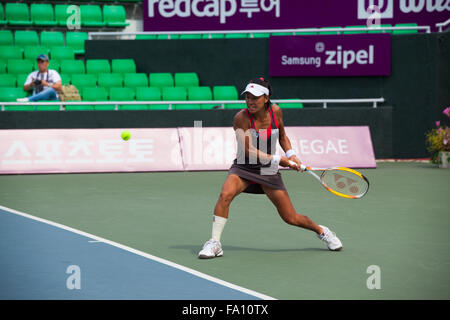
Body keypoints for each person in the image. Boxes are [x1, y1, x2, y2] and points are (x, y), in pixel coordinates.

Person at [198, 77, 342, 259]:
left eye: (255, 97)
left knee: (290, 217)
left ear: (266, 98)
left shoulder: (276, 112)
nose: (250, 101)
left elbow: (282, 135)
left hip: (268, 171)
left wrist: (291, 155)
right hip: (244, 167)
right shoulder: (241, 118)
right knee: (225, 195)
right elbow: (248, 150)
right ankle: (214, 243)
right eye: (247, 97)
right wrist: (278, 159)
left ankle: (322, 231)